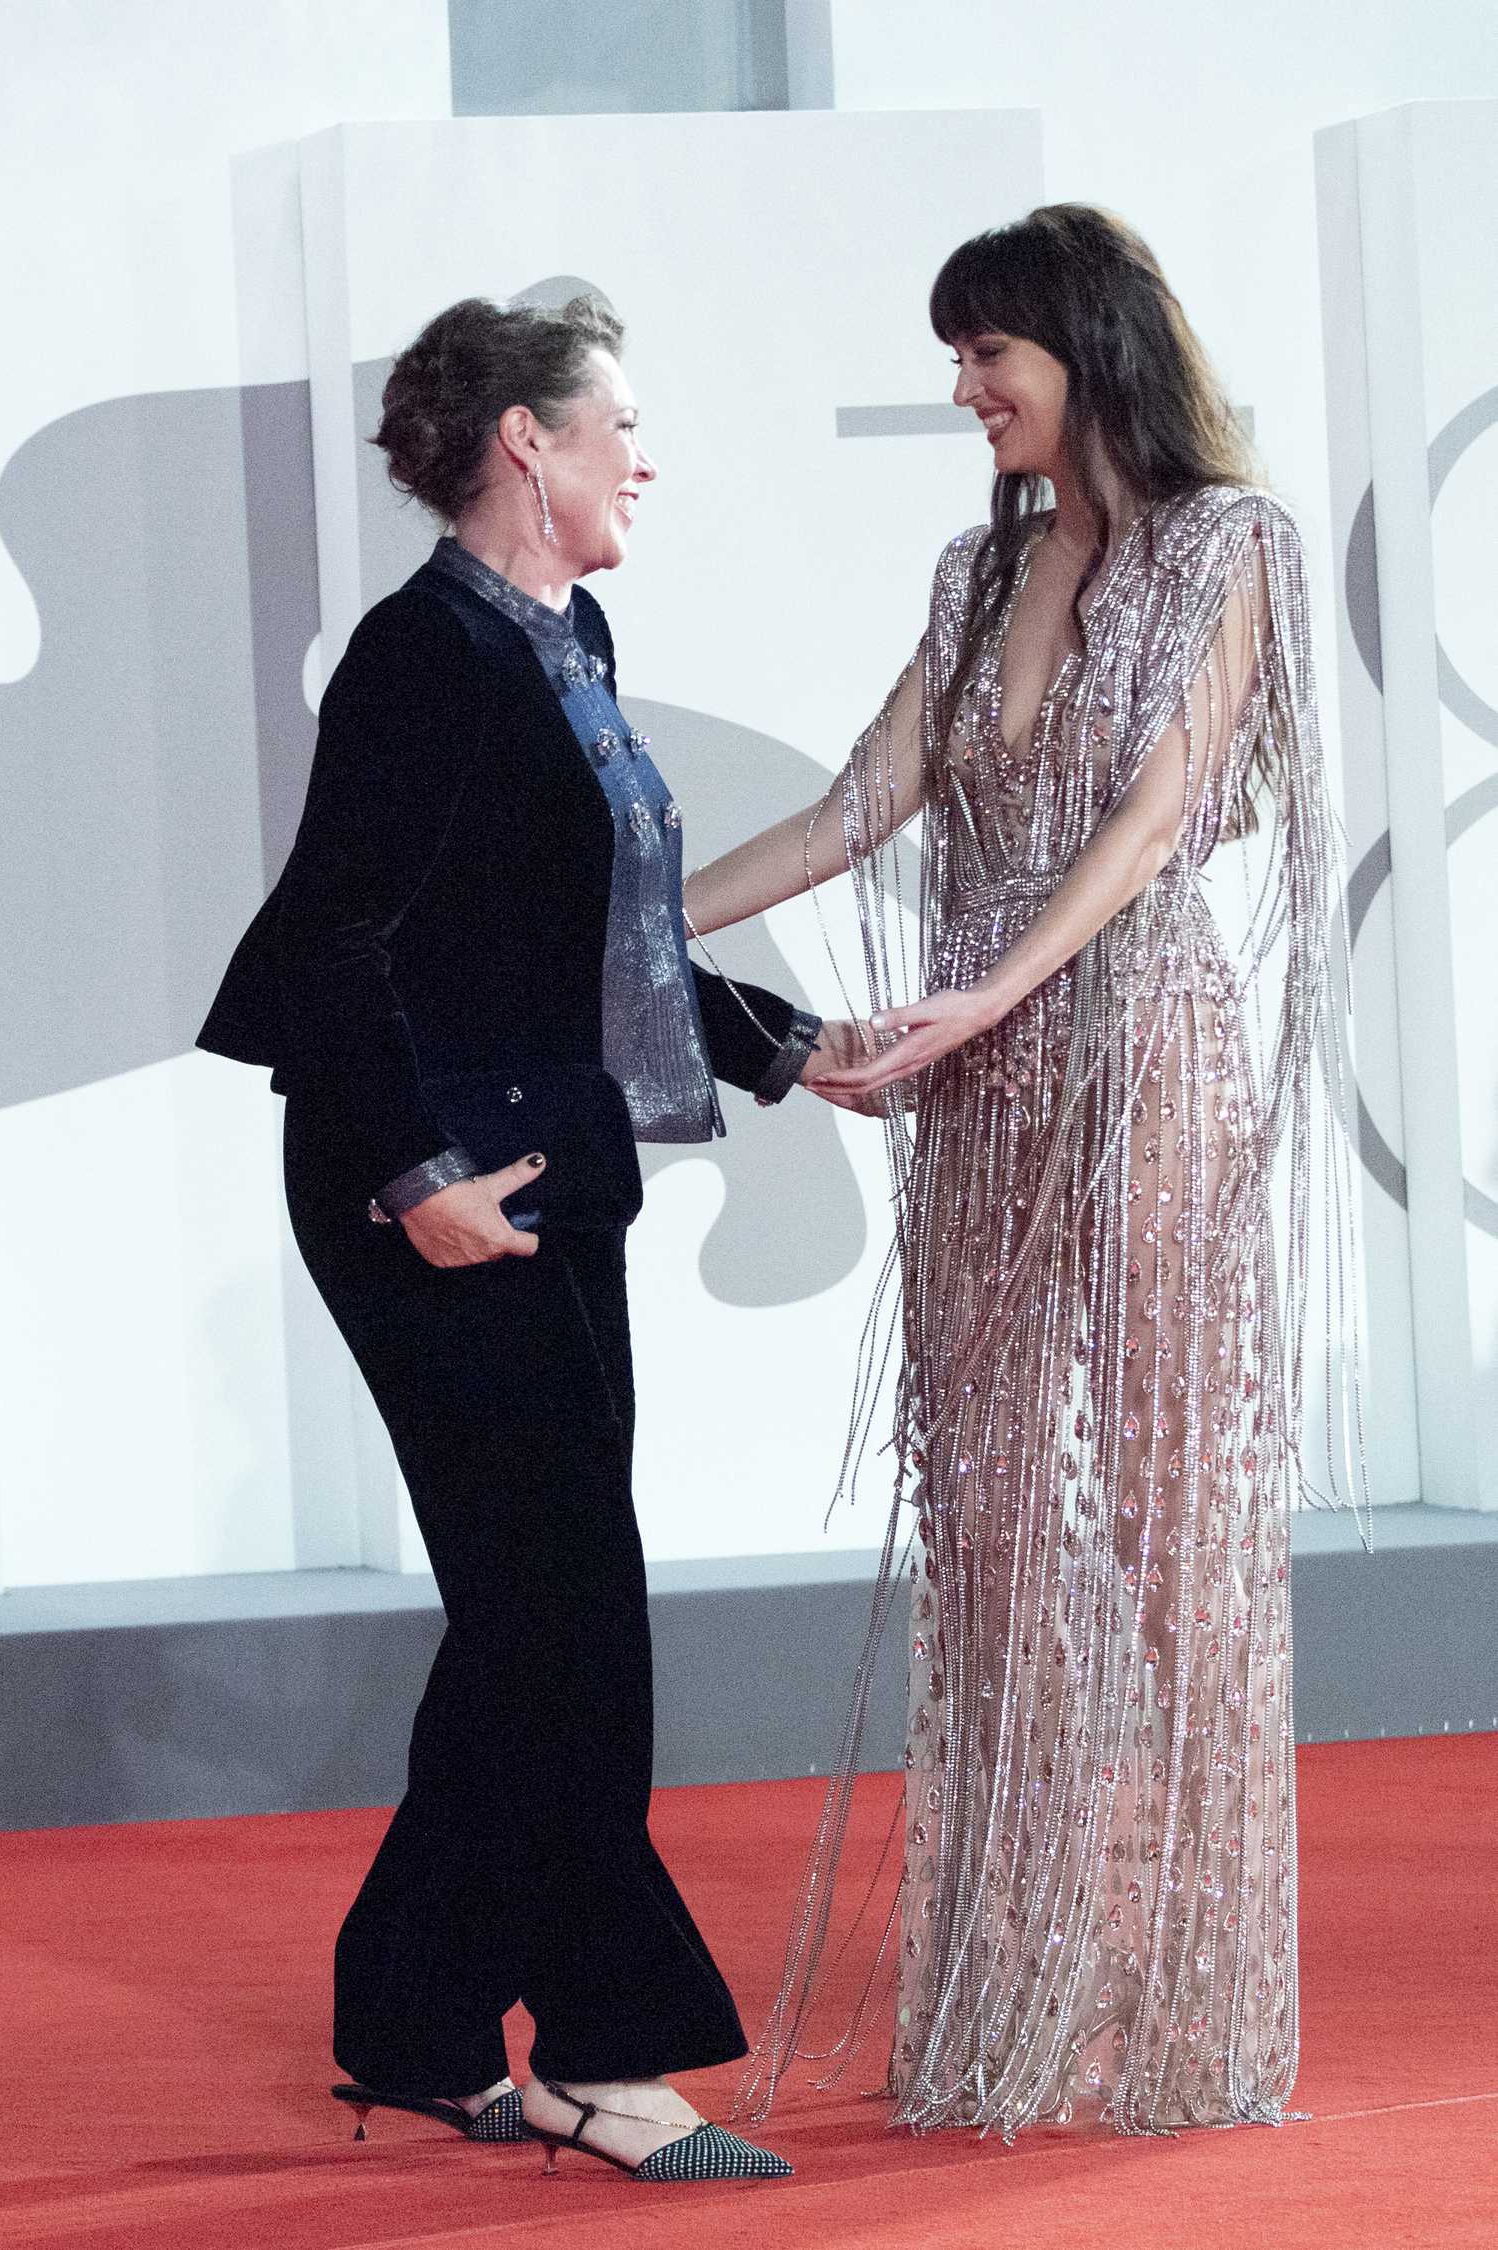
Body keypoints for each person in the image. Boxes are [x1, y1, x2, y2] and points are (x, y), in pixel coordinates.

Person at [683, 205, 1361, 2137]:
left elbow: (1157, 820)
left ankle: (1191, 2000)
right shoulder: (976, 573)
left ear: (1091, 347)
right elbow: (847, 810)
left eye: (992, 352)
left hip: (1133, 1050)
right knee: (986, 1515)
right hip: (975, 1079)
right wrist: (633, 920)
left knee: (1166, 1513)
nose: (965, 390)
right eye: (959, 357)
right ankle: (1015, 1989)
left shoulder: (1233, 547)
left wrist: (988, 995)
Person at [198, 292, 832, 2182]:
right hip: (435, 1199)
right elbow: (328, 943)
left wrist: (798, 1048)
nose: (646, 456)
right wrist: (413, 1184)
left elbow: (601, 935)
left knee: (528, 1615)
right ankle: (606, 2059)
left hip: (548, 1174)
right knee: (570, 1623)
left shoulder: (569, 635)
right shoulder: (420, 657)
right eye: (618, 422)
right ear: (524, 447)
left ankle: (411, 2015)